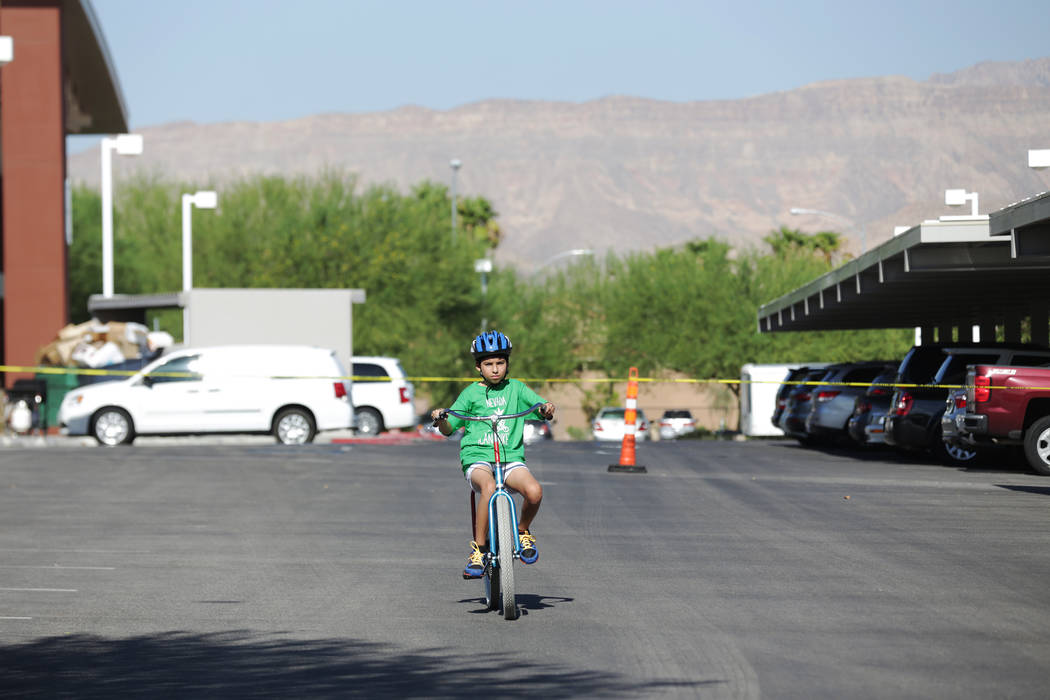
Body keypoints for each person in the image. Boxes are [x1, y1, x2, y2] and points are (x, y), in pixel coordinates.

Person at [431, 330, 555, 579]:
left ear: (507, 363)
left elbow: (540, 407)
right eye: (489, 364)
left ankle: (522, 531)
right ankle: (479, 550)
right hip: (477, 458)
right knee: (488, 487)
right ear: (478, 367)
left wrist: (546, 408)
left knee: (535, 491)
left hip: (510, 459)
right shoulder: (470, 394)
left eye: (500, 363)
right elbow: (448, 428)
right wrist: (441, 418)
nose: (496, 369)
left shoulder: (516, 389)